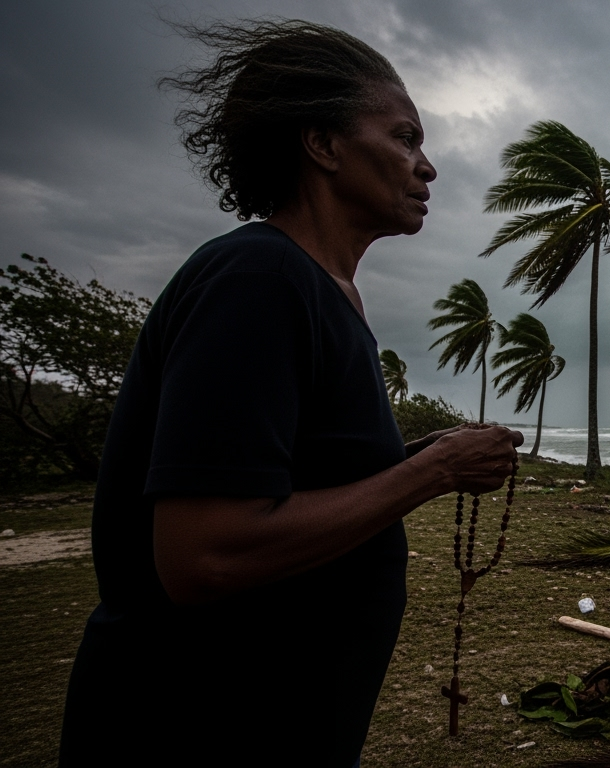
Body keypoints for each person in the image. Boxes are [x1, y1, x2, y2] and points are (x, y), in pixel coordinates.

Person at [58, 20, 522, 766]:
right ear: (324, 144)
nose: (427, 167)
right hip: (197, 726)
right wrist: (430, 473)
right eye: (405, 138)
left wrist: (416, 458)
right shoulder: (260, 279)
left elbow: (280, 484)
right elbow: (204, 554)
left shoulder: (322, 294)